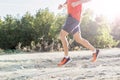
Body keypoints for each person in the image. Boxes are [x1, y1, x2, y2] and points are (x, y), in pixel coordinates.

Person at [58, 0, 99, 66]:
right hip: (73, 18)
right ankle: (95, 51)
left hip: (73, 18)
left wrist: (77, 2)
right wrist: (62, 6)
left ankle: (66, 57)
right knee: (78, 39)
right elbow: (68, 3)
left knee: (62, 35)